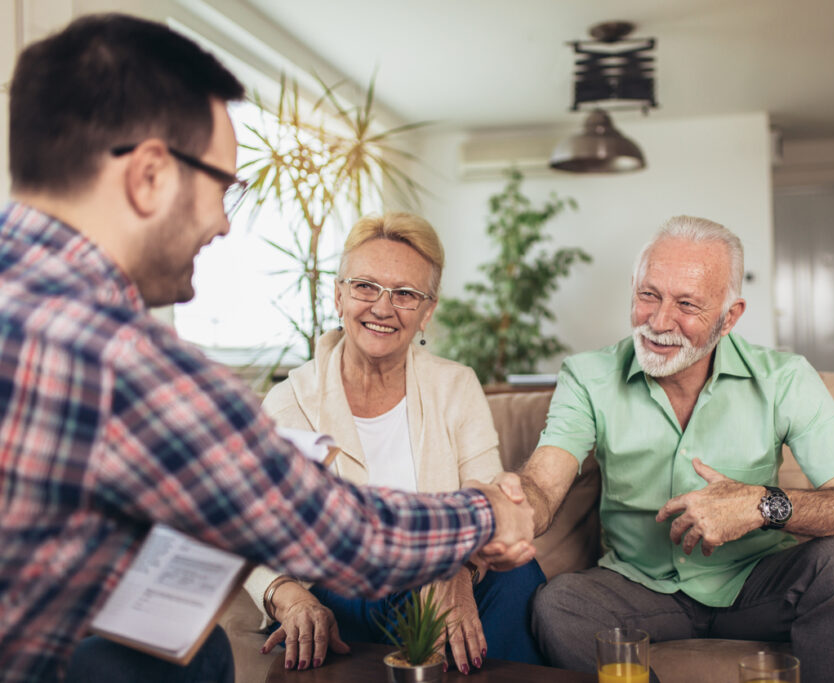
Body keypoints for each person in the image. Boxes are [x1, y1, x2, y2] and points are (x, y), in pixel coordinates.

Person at [0, 14, 534, 683]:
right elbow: (346, 533)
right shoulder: (116, 356)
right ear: (148, 177)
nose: (224, 222)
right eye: (222, 186)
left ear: (427, 308)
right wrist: (488, 512)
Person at [487, 215, 834, 683]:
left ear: (729, 316)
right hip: (638, 588)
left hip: (756, 583)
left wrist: (762, 505)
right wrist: (514, 508)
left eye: (687, 304)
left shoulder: (784, 378)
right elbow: (543, 482)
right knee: (558, 604)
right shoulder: (588, 376)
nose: (658, 322)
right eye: (647, 295)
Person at [243, 212, 545, 674]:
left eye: (405, 294)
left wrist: (459, 574)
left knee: (518, 575)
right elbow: (250, 532)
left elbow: (488, 506)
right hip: (344, 594)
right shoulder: (289, 403)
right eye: (365, 287)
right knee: (402, 570)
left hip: (437, 581)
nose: (383, 308)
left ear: (427, 311)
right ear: (339, 294)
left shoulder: (456, 387)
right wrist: (291, 599)